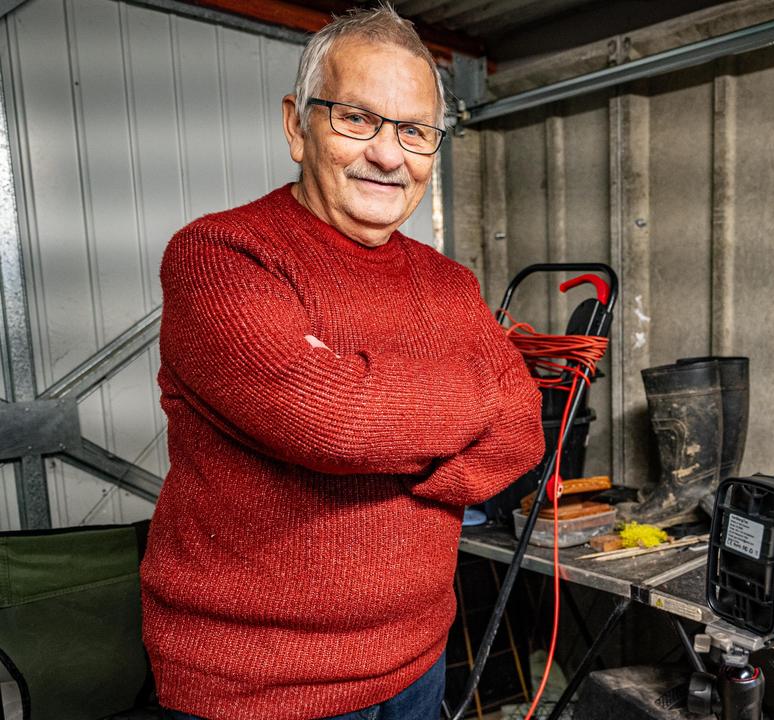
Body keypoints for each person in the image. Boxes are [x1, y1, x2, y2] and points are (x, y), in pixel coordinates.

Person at [139, 6, 544, 719]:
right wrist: (473, 392)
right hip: (258, 691)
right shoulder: (220, 257)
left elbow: (522, 428)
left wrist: (381, 410)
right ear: (298, 125)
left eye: (416, 132)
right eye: (357, 118)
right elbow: (335, 422)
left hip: (417, 663)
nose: (389, 155)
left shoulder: (451, 285)